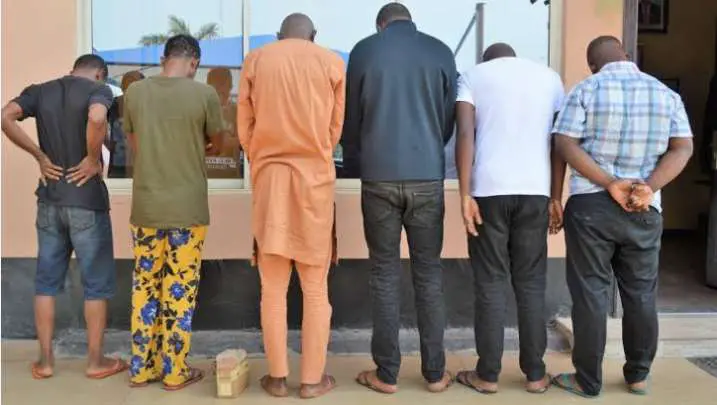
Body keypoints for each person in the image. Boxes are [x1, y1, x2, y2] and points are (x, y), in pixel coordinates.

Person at [551, 36, 693, 398]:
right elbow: (683, 147)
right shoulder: (665, 94)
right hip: (643, 208)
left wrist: (609, 182)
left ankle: (587, 380)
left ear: (592, 65)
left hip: (591, 207)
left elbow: (564, 142)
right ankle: (638, 376)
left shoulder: (586, 89)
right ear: (627, 56)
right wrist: (648, 186)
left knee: (590, 294)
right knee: (641, 293)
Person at [342, 2, 457, 394]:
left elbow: (351, 120)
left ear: (381, 25)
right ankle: (436, 374)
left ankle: (386, 374)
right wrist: (427, 146)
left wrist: (357, 162)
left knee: (384, 273)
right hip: (427, 177)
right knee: (429, 273)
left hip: (378, 177)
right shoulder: (441, 51)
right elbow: (447, 121)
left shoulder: (364, 51)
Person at [237, 13, 345, 399]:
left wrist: (262, 155)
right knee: (315, 290)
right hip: (315, 184)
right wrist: (315, 153)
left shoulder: (256, 59)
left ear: (278, 35)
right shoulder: (331, 62)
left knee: (272, 289)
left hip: (270, 183)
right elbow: (335, 129)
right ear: (313, 36)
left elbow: (244, 126)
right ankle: (313, 381)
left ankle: (277, 378)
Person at [0, 54, 127, 380]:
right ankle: (95, 362)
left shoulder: (41, 91)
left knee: (46, 283)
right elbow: (97, 117)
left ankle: (45, 362)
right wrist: (92, 158)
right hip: (87, 202)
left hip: (50, 199)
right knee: (95, 286)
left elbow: (6, 116)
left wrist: (39, 156)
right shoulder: (98, 91)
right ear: (99, 74)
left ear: (72, 70)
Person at [453, 43, 565, 395]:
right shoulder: (550, 78)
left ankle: (487, 375)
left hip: (489, 190)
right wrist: (556, 196)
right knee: (531, 283)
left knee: (490, 282)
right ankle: (535, 375)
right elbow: (558, 142)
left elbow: (465, 134)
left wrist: (464, 194)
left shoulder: (472, 76)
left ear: (487, 60)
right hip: (535, 190)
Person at [123, 34, 225, 391]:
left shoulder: (135, 92)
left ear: (164, 58)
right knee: (179, 290)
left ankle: (141, 369)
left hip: (146, 207)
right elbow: (218, 143)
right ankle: (174, 371)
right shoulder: (204, 94)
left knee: (144, 288)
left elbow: (135, 143)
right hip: (187, 210)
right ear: (194, 62)